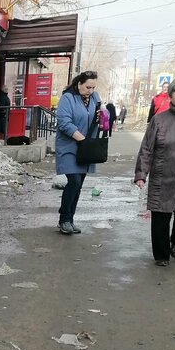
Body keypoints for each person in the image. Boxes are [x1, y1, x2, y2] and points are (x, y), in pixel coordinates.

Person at [134, 77, 175, 266]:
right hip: (163, 175)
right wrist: (141, 174)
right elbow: (147, 149)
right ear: (171, 96)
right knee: (160, 217)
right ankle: (162, 256)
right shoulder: (159, 120)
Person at [55, 71, 102, 234]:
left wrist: (102, 116)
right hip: (69, 146)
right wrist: (82, 139)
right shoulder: (68, 98)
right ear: (79, 84)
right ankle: (64, 219)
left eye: (93, 87)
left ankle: (70, 219)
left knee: (78, 185)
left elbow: (101, 116)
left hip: (86, 149)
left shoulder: (95, 98)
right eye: (88, 87)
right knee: (74, 181)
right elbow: (64, 122)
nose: (90, 90)